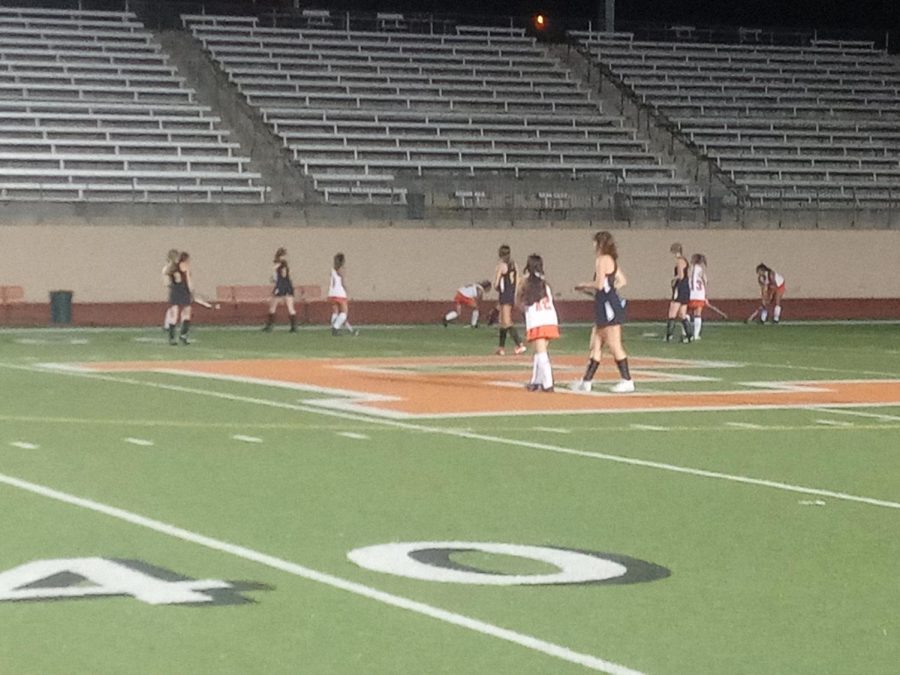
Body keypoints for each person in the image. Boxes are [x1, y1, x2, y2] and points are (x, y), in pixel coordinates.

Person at [572, 231, 634, 393]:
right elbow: (622, 280)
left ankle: (627, 380)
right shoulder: (611, 260)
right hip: (606, 304)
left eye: (595, 243)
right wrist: (610, 291)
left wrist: (583, 285)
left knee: (614, 345)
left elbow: (599, 285)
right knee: (596, 344)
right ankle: (586, 381)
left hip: (608, 307)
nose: (593, 246)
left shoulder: (601, 260)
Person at [518, 254, 559, 392]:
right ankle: (536, 381)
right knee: (538, 351)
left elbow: (519, 301)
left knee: (541, 353)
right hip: (550, 318)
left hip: (537, 320)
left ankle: (548, 383)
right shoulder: (544, 284)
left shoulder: (526, 283)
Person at [493, 244, 526, 356]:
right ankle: (501, 348)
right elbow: (518, 280)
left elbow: (496, 283)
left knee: (506, 321)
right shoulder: (514, 265)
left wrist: (498, 287)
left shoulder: (501, 266)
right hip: (511, 293)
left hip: (504, 294)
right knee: (502, 322)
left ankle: (519, 344)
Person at [263, 247, 297, 333]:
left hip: (282, 287)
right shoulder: (282, 265)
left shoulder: (280, 266)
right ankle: (293, 327)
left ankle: (270, 326)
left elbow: (281, 276)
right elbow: (279, 277)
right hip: (286, 286)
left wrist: (276, 278)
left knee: (276, 306)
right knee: (278, 306)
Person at [665, 242, 693, 343]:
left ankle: (669, 335)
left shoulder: (679, 261)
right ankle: (689, 335)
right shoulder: (685, 261)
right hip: (686, 288)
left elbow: (681, 276)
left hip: (680, 287)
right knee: (682, 314)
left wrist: (674, 279)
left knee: (672, 313)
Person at [166, 251, 193, 346]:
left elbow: (168, 281)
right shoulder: (185, 267)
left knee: (174, 315)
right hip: (184, 291)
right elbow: (189, 281)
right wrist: (191, 292)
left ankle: (172, 338)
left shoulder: (173, 268)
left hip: (175, 292)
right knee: (186, 314)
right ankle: (183, 336)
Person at [329, 252, 358, 336]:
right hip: (340, 293)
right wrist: (347, 291)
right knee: (344, 313)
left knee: (336, 312)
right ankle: (335, 328)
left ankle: (334, 325)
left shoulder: (332, 269)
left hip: (332, 293)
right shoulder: (341, 269)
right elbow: (342, 282)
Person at [688, 253, 708, 340]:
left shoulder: (690, 269)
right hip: (700, 295)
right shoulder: (701, 270)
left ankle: (686, 332)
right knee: (697, 315)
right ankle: (696, 335)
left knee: (686, 313)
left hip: (690, 294)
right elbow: (705, 281)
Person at [161, 248, 179, 333]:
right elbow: (167, 280)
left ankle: (168, 324)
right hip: (173, 289)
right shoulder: (168, 268)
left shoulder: (175, 267)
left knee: (174, 307)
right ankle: (169, 325)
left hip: (176, 289)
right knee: (174, 308)